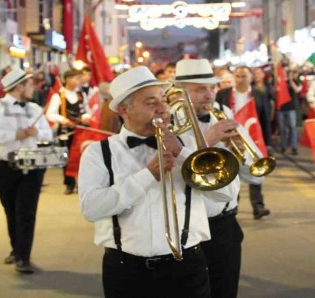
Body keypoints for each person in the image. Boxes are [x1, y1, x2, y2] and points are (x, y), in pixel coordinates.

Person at [79, 66, 236, 298]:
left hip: (188, 267)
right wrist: (148, 175)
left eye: (163, 99)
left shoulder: (190, 141)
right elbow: (91, 209)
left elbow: (225, 194)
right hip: (126, 270)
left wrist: (183, 154)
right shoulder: (98, 152)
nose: (163, 108)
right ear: (124, 109)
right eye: (151, 102)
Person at [174, 59, 264, 298]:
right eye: (200, 89)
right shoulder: (167, 123)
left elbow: (252, 177)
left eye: (212, 88)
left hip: (224, 225)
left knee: (225, 290)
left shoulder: (225, 114)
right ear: (180, 92)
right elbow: (174, 172)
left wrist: (241, 154)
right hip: (187, 227)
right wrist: (207, 140)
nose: (209, 94)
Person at [0, 67, 53, 274]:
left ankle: (23, 256)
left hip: (33, 166)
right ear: (19, 86)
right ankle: (16, 248)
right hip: (4, 166)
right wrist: (15, 134)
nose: (33, 88)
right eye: (29, 84)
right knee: (10, 210)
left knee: (26, 212)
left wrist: (37, 133)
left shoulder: (36, 109)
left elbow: (48, 134)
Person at [215, 66, 272, 220]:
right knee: (233, 171)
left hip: (254, 138)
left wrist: (268, 142)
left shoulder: (258, 95)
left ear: (251, 78)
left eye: (244, 76)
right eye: (238, 76)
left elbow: (265, 118)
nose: (240, 79)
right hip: (231, 138)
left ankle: (258, 206)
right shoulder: (223, 94)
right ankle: (233, 204)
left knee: (255, 169)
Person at [46, 69, 91, 194]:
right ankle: (69, 184)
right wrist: (63, 120)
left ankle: (82, 183)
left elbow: (88, 110)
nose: (78, 81)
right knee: (67, 158)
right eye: (76, 78)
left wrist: (86, 117)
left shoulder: (81, 95)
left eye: (79, 78)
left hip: (81, 131)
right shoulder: (58, 96)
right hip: (66, 132)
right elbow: (50, 114)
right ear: (67, 79)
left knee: (82, 158)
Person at [275, 64, 301, 155]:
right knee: (282, 128)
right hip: (281, 108)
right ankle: (283, 146)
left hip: (291, 108)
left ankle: (294, 147)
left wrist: (290, 80)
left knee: (293, 127)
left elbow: (297, 90)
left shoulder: (294, 81)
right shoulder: (278, 82)